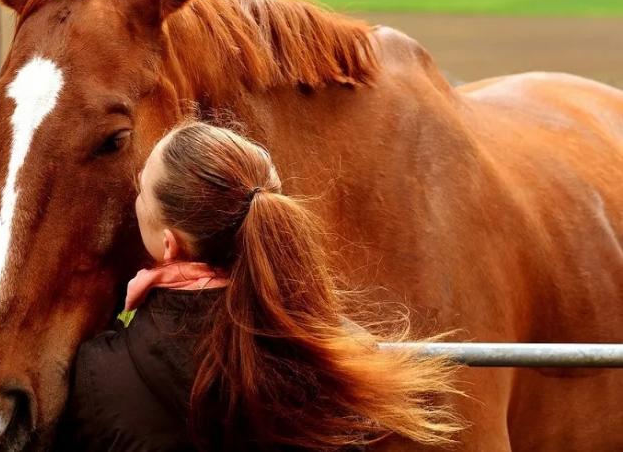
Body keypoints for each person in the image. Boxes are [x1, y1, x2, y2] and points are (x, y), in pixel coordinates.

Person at [57, 122, 462, 451]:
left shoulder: (101, 375)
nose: (137, 197)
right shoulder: (341, 359)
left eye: (142, 190)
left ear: (169, 245)